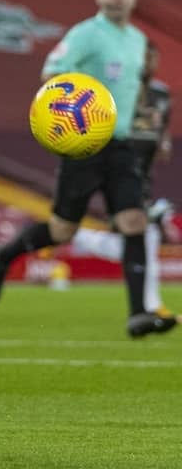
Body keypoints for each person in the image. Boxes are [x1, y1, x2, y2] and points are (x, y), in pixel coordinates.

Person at [0, 0, 169, 337]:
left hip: (122, 144)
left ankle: (137, 314)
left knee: (134, 222)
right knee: (63, 230)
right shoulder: (86, 34)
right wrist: (74, 110)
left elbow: (136, 87)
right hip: (85, 144)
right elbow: (51, 72)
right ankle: (6, 255)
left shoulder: (138, 40)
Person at [70, 39, 174, 326]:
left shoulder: (161, 95)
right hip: (117, 171)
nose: (147, 64)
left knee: (133, 241)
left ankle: (79, 236)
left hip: (143, 174)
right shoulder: (114, 91)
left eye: (152, 58)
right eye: (143, 58)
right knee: (143, 234)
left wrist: (162, 142)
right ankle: (152, 305)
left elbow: (162, 134)